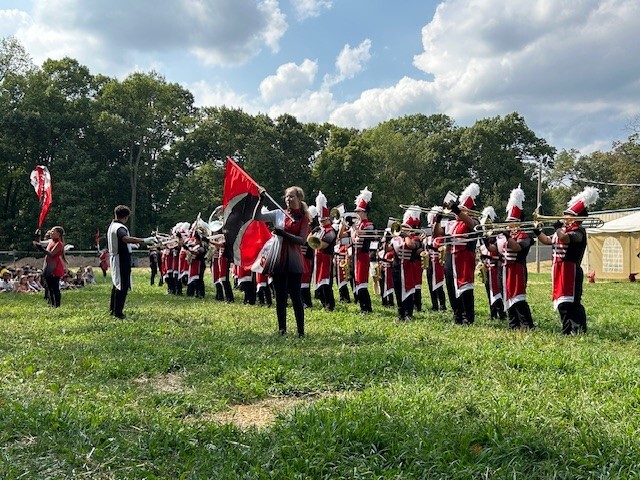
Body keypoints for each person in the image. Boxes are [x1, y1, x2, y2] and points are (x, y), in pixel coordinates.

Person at [533, 187, 599, 335]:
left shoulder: (579, 231)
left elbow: (565, 238)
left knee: (572, 303)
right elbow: (548, 240)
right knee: (563, 302)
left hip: (572, 270)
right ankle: (567, 328)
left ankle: (577, 329)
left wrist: (558, 228)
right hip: (560, 269)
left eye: (568, 215)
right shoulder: (563, 230)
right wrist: (538, 232)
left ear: (575, 217)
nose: (564, 217)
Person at [254, 186, 311, 337]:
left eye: (292, 197)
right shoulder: (279, 213)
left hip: (294, 261)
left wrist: (284, 234)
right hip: (278, 260)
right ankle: (282, 330)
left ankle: (300, 331)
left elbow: (302, 240)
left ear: (299, 199)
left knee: (295, 296)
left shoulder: (303, 218)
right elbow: (257, 217)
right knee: (279, 297)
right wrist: (261, 200)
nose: (288, 199)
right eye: (286, 197)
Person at [436, 183, 481, 325]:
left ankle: (468, 317)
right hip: (450, 257)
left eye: (461, 210)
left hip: (464, 257)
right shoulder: (450, 223)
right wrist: (437, 220)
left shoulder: (474, 221)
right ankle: (457, 315)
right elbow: (438, 234)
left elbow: (472, 225)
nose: (457, 213)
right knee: (450, 286)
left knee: (465, 287)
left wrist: (457, 210)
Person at [491, 187, 535, 330]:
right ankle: (513, 323)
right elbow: (495, 251)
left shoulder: (524, 235)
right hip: (503, 269)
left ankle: (526, 324)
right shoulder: (505, 236)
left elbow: (517, 247)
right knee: (507, 296)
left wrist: (507, 236)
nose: (508, 224)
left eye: (511, 221)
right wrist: (487, 240)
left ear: (518, 222)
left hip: (517, 269)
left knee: (518, 298)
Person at [107, 205, 156, 319]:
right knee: (122, 286)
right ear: (126, 217)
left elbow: (120, 242)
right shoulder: (120, 227)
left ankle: (113, 309)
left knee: (116, 284)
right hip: (121, 259)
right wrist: (143, 240)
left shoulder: (112, 226)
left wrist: (131, 245)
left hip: (117, 257)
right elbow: (124, 238)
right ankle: (118, 313)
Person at [385, 207, 422, 321]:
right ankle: (401, 313)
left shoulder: (415, 238)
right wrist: (386, 239)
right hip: (396, 267)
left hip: (408, 267)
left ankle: (408, 314)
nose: (403, 230)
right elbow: (388, 249)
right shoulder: (396, 239)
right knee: (398, 290)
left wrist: (406, 235)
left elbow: (411, 246)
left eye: (406, 228)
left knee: (409, 290)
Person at [344, 187, 375, 314]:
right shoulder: (358, 225)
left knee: (362, 282)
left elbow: (363, 234)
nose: (357, 213)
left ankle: (366, 307)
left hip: (362, 256)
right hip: (356, 257)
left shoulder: (368, 225)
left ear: (365, 212)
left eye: (359, 211)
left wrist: (352, 226)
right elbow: (344, 236)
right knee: (356, 281)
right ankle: (363, 306)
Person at [312, 192, 337, 311]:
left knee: (325, 282)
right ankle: (324, 303)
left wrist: (315, 240)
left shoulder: (330, 231)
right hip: (318, 258)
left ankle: (329, 304)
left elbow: (323, 245)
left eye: (323, 220)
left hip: (326, 258)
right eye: (320, 219)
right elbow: (309, 242)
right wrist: (312, 233)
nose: (321, 222)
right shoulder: (320, 229)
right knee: (319, 283)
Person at [33, 226, 65, 308]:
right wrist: (37, 235)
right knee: (49, 287)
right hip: (48, 267)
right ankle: (51, 303)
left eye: (53, 231)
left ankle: (57, 305)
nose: (51, 232)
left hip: (55, 268)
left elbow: (51, 253)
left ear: (58, 234)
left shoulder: (59, 244)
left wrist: (40, 248)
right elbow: (39, 243)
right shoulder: (51, 241)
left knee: (55, 288)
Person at [425, 207, 447, 312]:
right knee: (430, 283)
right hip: (429, 262)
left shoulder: (440, 238)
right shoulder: (427, 237)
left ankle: (442, 305)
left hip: (437, 262)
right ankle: (434, 305)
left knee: (438, 284)